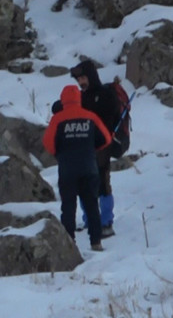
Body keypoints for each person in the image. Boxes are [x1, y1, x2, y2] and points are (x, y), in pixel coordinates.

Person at [43, 85, 112, 251]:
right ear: (78, 99)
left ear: (63, 100)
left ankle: (69, 242)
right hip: (89, 168)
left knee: (68, 207)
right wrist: (91, 149)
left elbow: (48, 144)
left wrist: (60, 153)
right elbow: (106, 139)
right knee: (92, 206)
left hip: (67, 170)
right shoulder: (91, 117)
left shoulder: (57, 119)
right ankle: (96, 242)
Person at [70, 59, 122, 238]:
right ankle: (89, 220)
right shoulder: (80, 97)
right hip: (84, 147)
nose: (80, 82)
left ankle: (106, 222)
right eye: (78, 79)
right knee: (84, 185)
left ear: (91, 76)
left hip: (102, 145)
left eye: (83, 77)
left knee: (102, 184)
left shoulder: (106, 94)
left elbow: (109, 117)